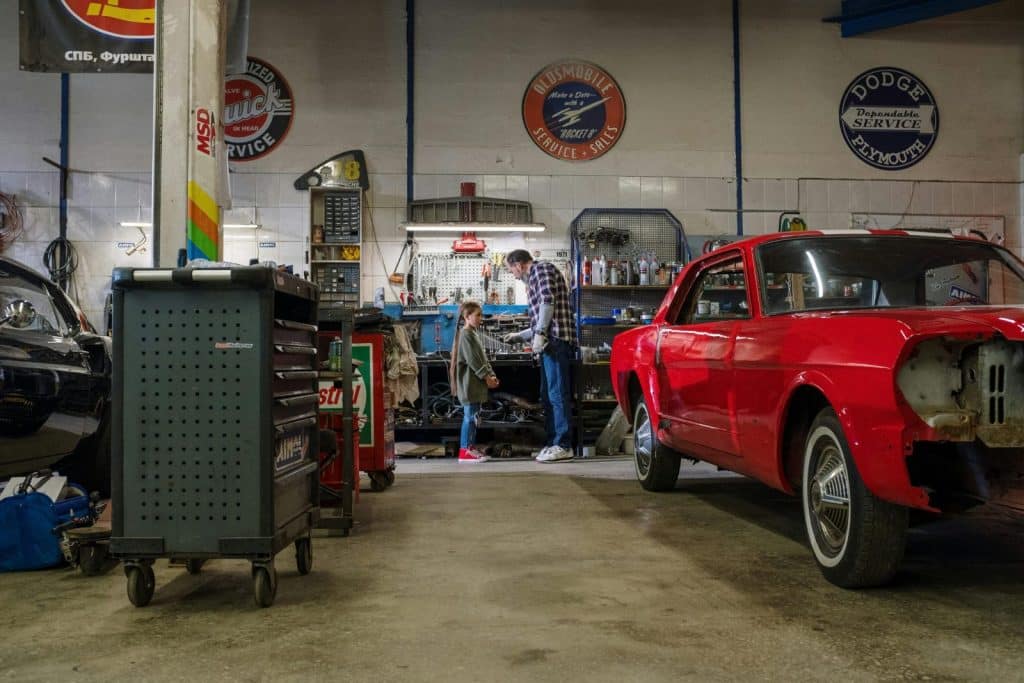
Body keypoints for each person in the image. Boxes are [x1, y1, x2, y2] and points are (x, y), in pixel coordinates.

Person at [502, 249, 576, 462]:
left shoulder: (541, 270)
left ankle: (563, 444)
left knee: (557, 394)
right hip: (547, 343)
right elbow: (539, 320)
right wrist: (520, 336)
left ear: (519, 264)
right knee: (547, 395)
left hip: (556, 340)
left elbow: (547, 302)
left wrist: (541, 334)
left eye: (511, 270)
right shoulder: (532, 280)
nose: (514, 275)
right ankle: (553, 443)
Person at [450, 301, 500, 463]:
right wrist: (486, 377)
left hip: (475, 385)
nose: (481, 318)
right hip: (469, 384)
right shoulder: (466, 335)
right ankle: (465, 451)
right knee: (470, 417)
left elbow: (482, 359)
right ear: (467, 316)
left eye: (481, 315)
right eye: (477, 315)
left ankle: (470, 447)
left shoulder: (472, 334)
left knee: (474, 416)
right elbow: (474, 361)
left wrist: (491, 375)